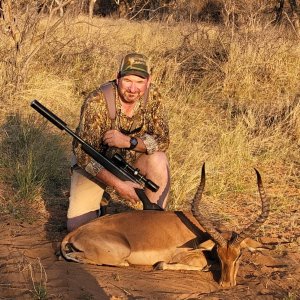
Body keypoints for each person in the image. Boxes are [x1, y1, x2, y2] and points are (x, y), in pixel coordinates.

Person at [67, 52, 170, 232]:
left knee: (159, 159)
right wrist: (119, 185)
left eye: (139, 82)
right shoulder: (96, 101)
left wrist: (130, 142)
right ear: (117, 78)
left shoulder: (154, 97)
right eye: (128, 81)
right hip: (97, 166)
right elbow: (83, 155)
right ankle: (100, 202)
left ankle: (155, 223)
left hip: (132, 165)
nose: (133, 88)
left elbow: (163, 140)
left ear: (148, 81)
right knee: (77, 229)